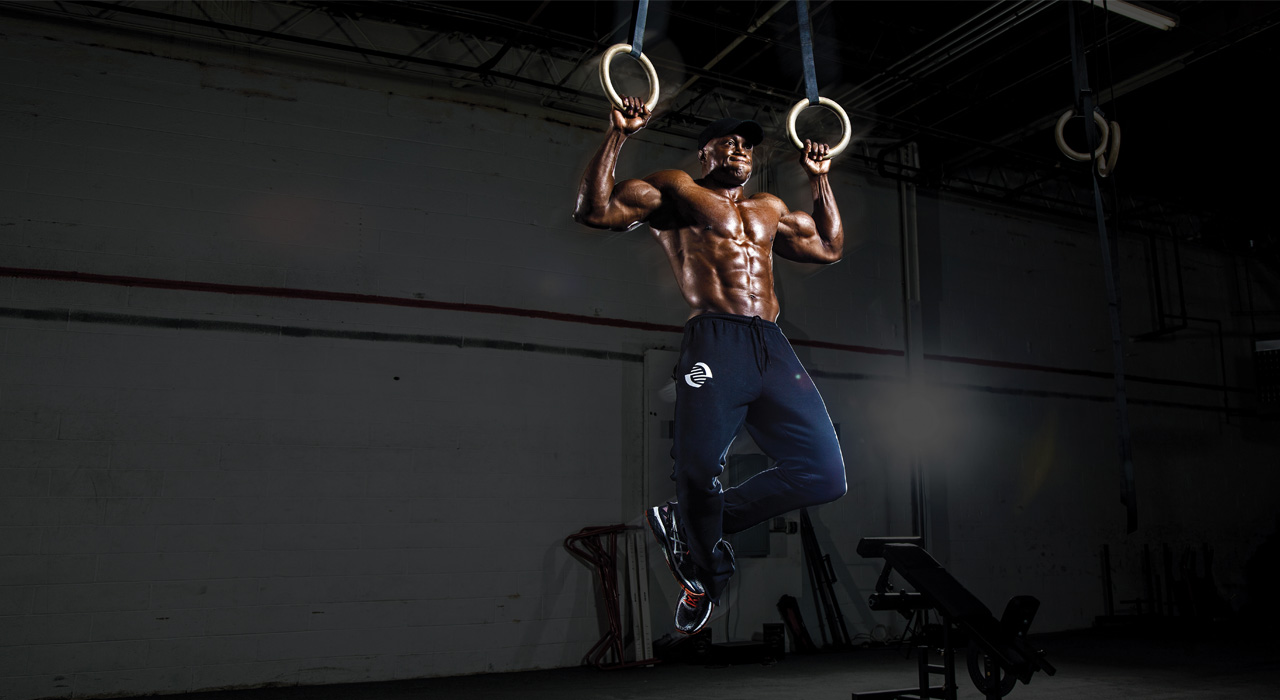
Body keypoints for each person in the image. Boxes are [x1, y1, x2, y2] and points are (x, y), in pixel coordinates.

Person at [573, 96, 848, 635]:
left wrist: (820, 180)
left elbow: (831, 247)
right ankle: (706, 572)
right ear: (705, 153)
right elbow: (595, 210)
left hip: (771, 346)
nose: (740, 149)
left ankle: (687, 522)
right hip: (714, 344)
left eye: (746, 144)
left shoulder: (768, 208)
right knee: (698, 471)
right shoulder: (677, 190)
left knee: (825, 474)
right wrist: (617, 134)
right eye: (727, 140)